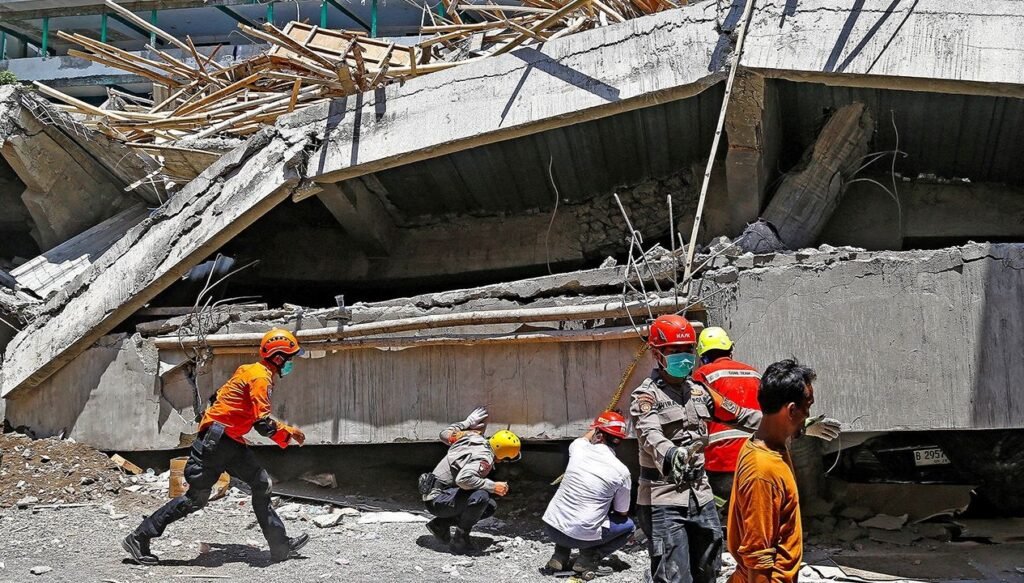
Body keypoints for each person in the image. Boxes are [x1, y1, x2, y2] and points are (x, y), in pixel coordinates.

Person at [122, 328, 310, 565]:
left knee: (261, 484)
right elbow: (263, 424)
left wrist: (233, 427)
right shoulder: (260, 378)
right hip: (217, 443)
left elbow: (220, 399)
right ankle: (139, 537)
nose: (292, 363)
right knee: (195, 499)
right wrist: (288, 432)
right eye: (290, 357)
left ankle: (280, 546)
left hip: (228, 440)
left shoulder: (251, 370)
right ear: (279, 357)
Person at [630, 315, 763, 583]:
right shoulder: (645, 396)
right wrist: (671, 453)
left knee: (709, 569)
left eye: (688, 349)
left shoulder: (701, 392)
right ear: (658, 354)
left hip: (701, 495)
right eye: (675, 351)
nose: (684, 356)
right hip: (662, 498)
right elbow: (650, 434)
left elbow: (742, 415)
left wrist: (793, 422)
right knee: (675, 576)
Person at [728, 359, 817, 583]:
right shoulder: (763, 471)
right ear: (792, 410)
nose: (807, 415)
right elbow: (758, 557)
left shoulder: (770, 444)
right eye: (807, 408)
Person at [542, 411, 635, 578]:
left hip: (552, 528)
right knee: (628, 526)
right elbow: (622, 513)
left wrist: (603, 421)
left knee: (570, 502)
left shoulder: (578, 449)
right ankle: (588, 559)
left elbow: (587, 436)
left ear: (599, 435)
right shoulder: (622, 472)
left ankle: (560, 555)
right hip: (582, 536)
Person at [419, 407, 521, 554]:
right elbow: (463, 480)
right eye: (506, 459)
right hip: (437, 499)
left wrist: (467, 423)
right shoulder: (485, 458)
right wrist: (493, 486)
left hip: (435, 494)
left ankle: (440, 525)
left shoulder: (472, 437)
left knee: (489, 506)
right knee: (481, 497)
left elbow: (444, 435)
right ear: (502, 456)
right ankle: (460, 541)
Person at [692, 327, 762, 511]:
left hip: (721, 457)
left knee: (721, 509)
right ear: (730, 350)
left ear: (703, 355)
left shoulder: (703, 374)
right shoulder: (754, 373)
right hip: (757, 453)